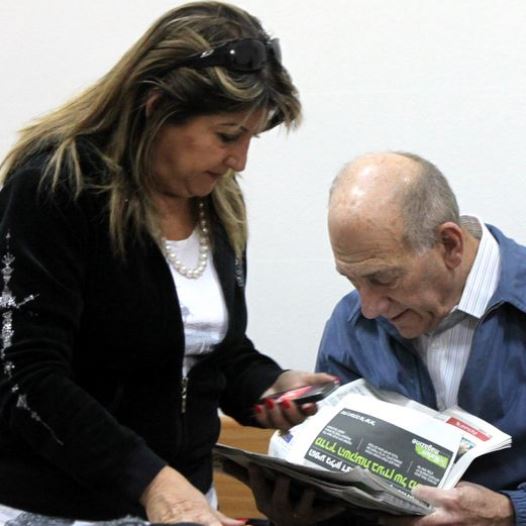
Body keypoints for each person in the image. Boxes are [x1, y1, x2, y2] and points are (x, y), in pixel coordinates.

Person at [0, 2, 334, 525]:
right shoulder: (56, 188)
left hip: (186, 502)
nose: (240, 160)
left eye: (251, 137)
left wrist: (267, 386)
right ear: (156, 107)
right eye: (228, 135)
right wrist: (151, 482)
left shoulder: (215, 201)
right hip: (64, 506)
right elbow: (26, 376)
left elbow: (214, 352)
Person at [313, 151, 526, 525]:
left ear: (449, 245)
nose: (368, 308)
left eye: (382, 278)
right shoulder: (350, 323)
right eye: (352, 280)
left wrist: (509, 512)